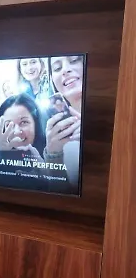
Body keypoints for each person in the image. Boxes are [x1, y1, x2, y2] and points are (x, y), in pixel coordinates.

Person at [0, 94, 49, 191]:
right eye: (9, 125)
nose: (17, 132)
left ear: (36, 123)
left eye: (24, 122)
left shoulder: (52, 152)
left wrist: (48, 177)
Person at [45, 55, 84, 190]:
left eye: (74, 60)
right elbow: (58, 192)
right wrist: (53, 155)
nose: (65, 70)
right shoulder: (55, 131)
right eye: (57, 68)